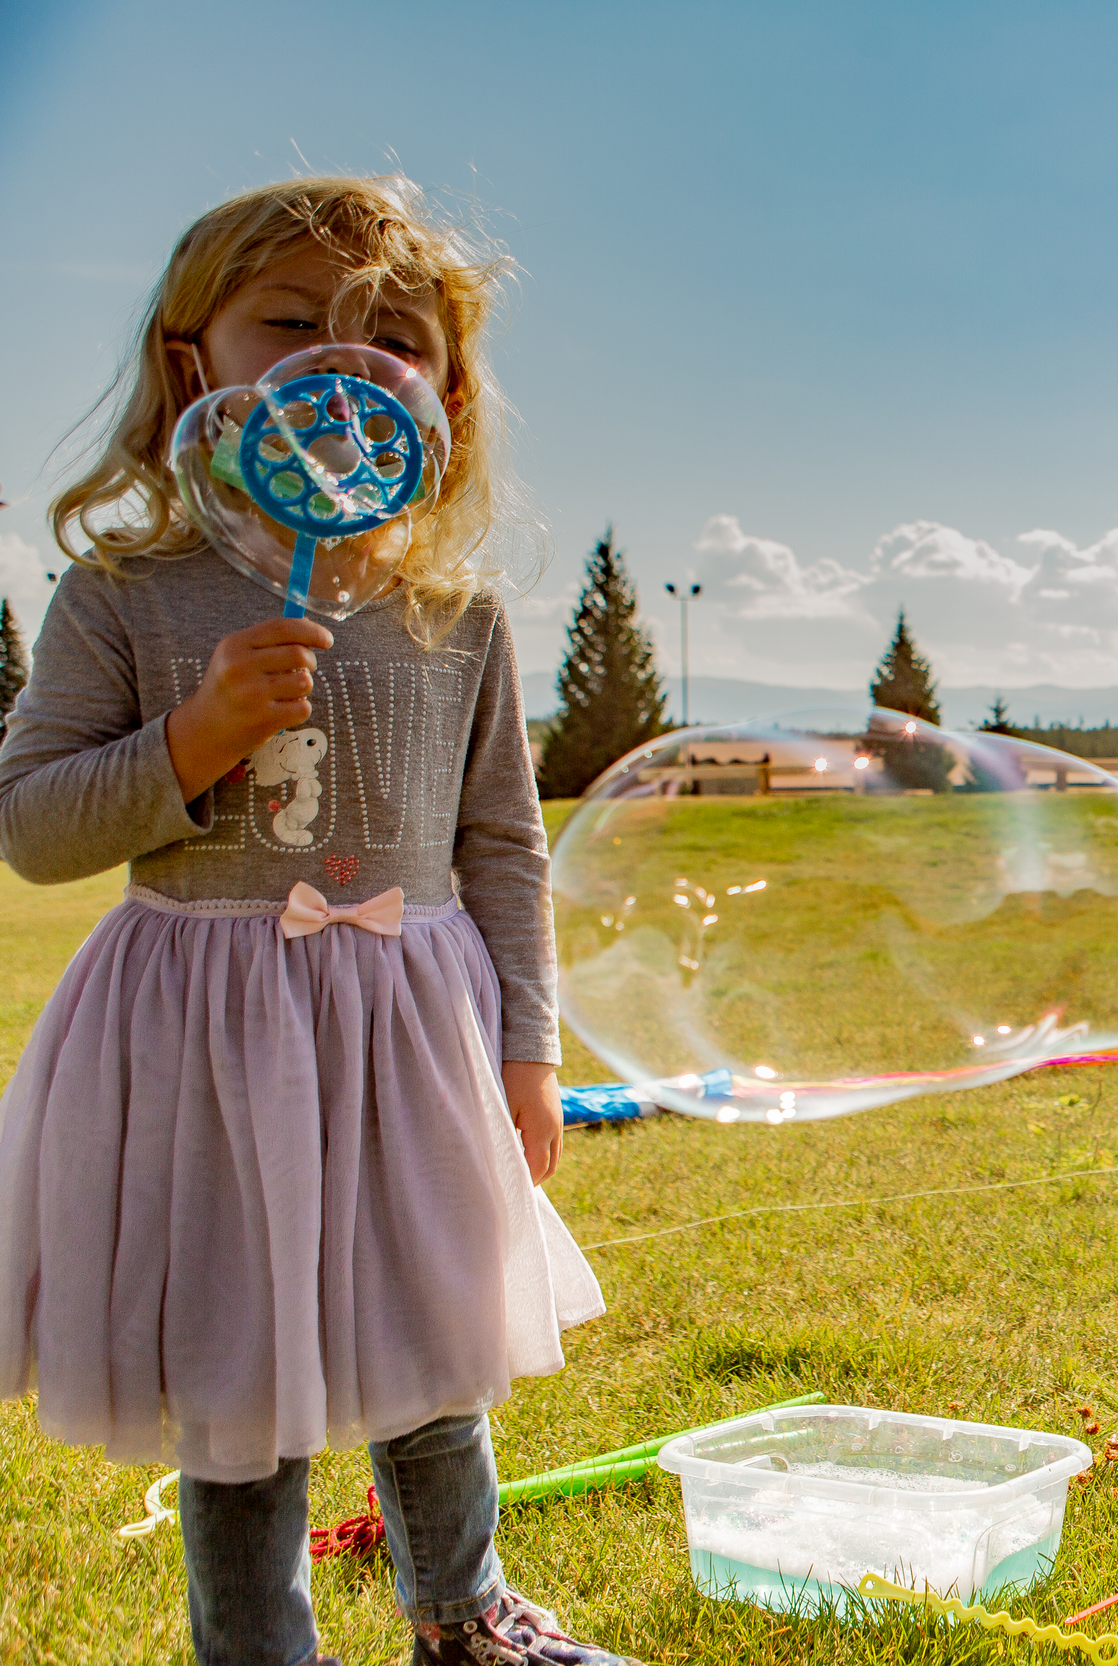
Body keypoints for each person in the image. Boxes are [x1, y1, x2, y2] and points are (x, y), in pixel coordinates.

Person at [0, 177, 637, 1666]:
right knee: (239, 1376)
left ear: (449, 393)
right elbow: (28, 824)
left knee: (433, 1347)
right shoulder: (125, 594)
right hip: (207, 1036)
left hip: (414, 1022)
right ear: (193, 365)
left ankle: (466, 1618)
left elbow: (502, 840)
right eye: (291, 323)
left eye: (396, 340)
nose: (347, 364)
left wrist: (530, 1051)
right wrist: (194, 737)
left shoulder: (453, 611)